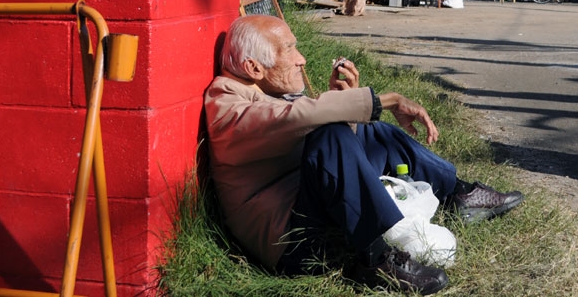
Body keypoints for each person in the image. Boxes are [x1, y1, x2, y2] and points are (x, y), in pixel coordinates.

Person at [204, 15, 524, 294]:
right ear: (253, 67)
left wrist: (346, 105)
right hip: (293, 243)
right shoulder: (227, 107)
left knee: (372, 132)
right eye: (288, 50)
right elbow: (298, 120)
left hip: (308, 203)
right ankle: (375, 260)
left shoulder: (260, 90)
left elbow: (326, 142)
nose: (301, 58)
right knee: (329, 132)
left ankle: (458, 194)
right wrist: (387, 100)